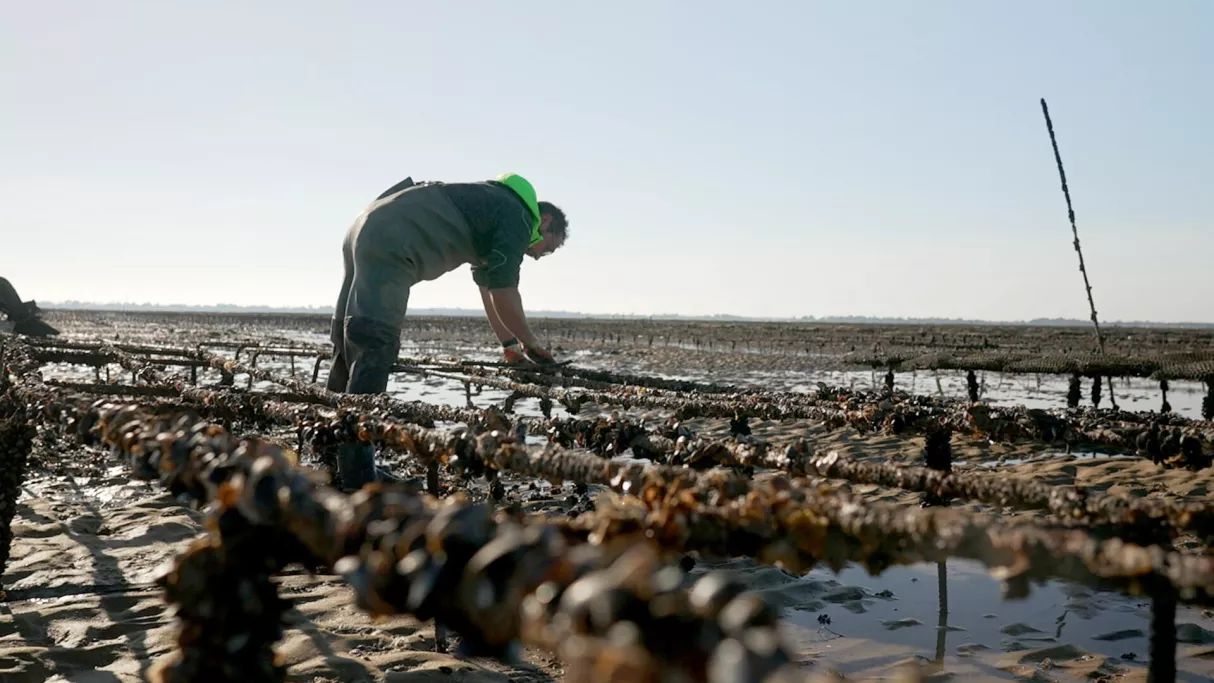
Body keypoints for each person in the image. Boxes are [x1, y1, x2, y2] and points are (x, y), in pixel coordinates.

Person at [323, 173, 569, 490]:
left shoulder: (490, 205)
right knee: (373, 345)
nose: (539, 255)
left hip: (367, 222)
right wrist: (532, 344)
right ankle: (357, 480)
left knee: (347, 343)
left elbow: (488, 289)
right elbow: (505, 291)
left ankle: (332, 462)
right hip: (394, 239)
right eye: (549, 247)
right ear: (545, 220)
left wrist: (509, 344)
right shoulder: (519, 216)